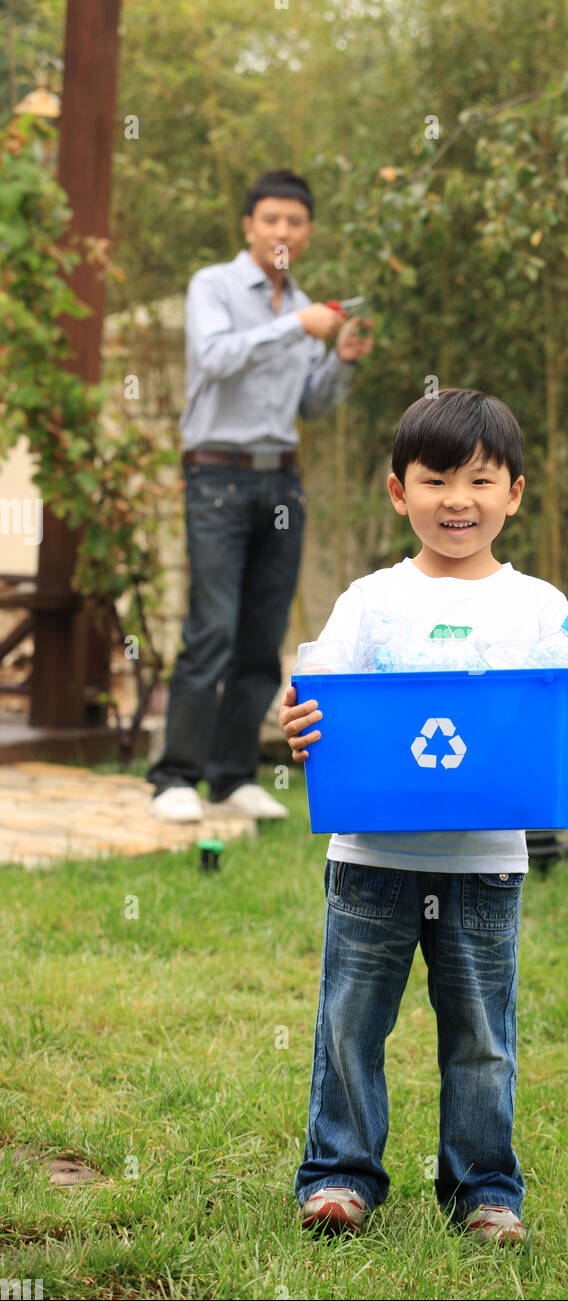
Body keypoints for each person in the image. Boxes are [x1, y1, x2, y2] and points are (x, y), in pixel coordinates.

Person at [279, 388, 568, 1243]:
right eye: (434, 479)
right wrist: (294, 722)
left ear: (515, 492)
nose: (457, 500)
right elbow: (312, 697)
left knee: (481, 1035)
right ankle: (340, 1175)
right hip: (370, 856)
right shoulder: (371, 601)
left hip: (484, 862)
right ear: (398, 490)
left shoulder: (538, 606)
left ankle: (484, 1188)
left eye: (480, 480)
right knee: (348, 1024)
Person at [147, 169, 373, 822]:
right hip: (216, 475)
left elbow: (312, 403)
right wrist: (298, 328)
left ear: (306, 233)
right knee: (211, 627)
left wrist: (343, 360)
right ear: (249, 227)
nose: (281, 230)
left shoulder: (305, 307)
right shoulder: (212, 287)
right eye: (270, 219)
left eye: (294, 221)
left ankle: (232, 775)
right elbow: (215, 358)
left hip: (282, 480)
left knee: (262, 633)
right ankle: (174, 777)